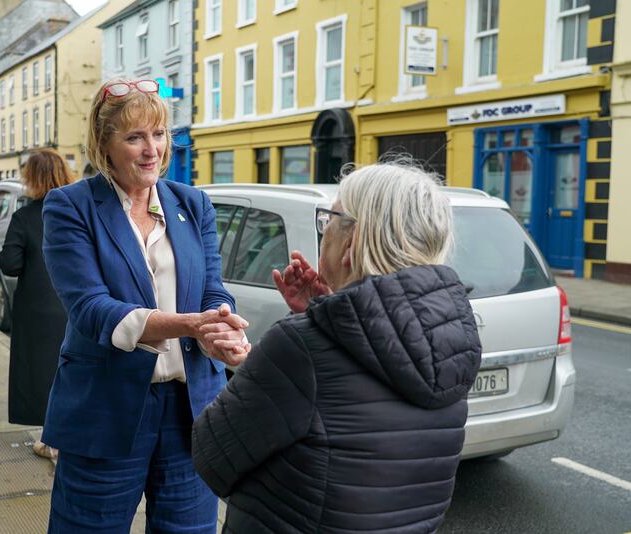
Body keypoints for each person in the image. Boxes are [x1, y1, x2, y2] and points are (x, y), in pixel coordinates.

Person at [192, 162, 483, 533]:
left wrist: (296, 331)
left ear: (353, 241)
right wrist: (325, 311)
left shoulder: (301, 348)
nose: (324, 229)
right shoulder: (450, 340)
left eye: (329, 218)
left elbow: (211, 456)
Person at [41, 78, 251, 533]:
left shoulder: (193, 204)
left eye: (159, 134)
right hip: (106, 410)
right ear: (104, 144)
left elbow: (213, 290)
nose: (151, 149)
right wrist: (189, 325)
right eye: (134, 137)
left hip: (190, 410)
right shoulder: (70, 207)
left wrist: (221, 329)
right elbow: (92, 309)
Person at [0, 148, 75, 460]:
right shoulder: (78, 212)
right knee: (72, 368)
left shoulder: (26, 216)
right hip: (75, 304)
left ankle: (51, 439)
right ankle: (72, 434)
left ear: (32, 178)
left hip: (37, 307)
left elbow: (10, 264)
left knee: (41, 371)